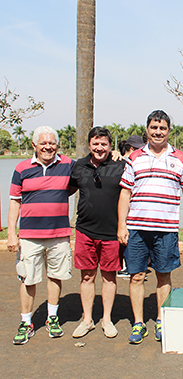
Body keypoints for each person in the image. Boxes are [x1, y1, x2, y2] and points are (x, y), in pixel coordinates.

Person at [117, 110, 183, 344]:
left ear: (168, 131)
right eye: (154, 128)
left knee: (164, 276)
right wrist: (122, 225)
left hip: (166, 229)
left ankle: (162, 320)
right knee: (136, 276)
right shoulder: (134, 158)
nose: (158, 132)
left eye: (162, 128)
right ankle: (139, 323)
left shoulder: (180, 158)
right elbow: (125, 192)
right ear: (147, 130)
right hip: (136, 228)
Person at [8, 126, 75, 345]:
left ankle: (52, 318)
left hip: (59, 234)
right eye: (43, 143)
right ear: (34, 145)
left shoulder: (67, 165)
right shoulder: (21, 168)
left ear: (57, 145)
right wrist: (12, 233)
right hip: (29, 236)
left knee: (55, 276)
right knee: (28, 279)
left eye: (52, 143)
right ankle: (26, 322)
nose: (48, 146)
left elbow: (88, 169)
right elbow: (14, 202)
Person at [69, 127, 126, 339]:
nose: (99, 148)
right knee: (87, 276)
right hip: (85, 231)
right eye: (95, 143)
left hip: (112, 232)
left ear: (110, 146)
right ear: (89, 144)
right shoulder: (79, 166)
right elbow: (67, 189)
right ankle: (87, 320)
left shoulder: (120, 165)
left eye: (103, 144)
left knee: (110, 277)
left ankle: (107, 319)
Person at [116, 134, 145, 279]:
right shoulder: (121, 162)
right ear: (131, 148)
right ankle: (126, 267)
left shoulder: (134, 162)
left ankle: (130, 266)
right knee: (125, 238)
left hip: (135, 210)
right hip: (124, 208)